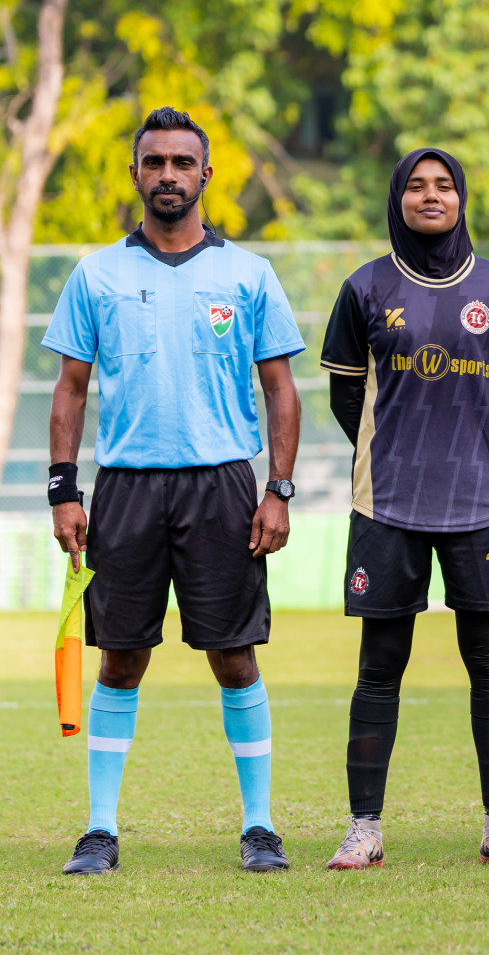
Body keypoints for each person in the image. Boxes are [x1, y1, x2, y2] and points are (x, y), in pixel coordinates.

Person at [43, 107, 304, 874]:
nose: (167, 176)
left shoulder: (249, 275)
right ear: (136, 174)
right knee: (120, 658)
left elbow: (282, 391)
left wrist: (278, 489)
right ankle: (100, 831)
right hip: (124, 486)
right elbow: (69, 389)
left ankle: (260, 828)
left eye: (180, 163)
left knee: (234, 655)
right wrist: (64, 491)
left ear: (204, 175)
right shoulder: (96, 274)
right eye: (153, 162)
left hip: (223, 484)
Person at [319, 148, 489, 869]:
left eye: (444, 185)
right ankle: (364, 828)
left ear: (462, 198)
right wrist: (398, 454)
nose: (430, 195)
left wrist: (467, 451)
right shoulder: (363, 288)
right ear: (397, 198)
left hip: (482, 501)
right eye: (415, 185)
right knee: (379, 665)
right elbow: (347, 398)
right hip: (387, 505)